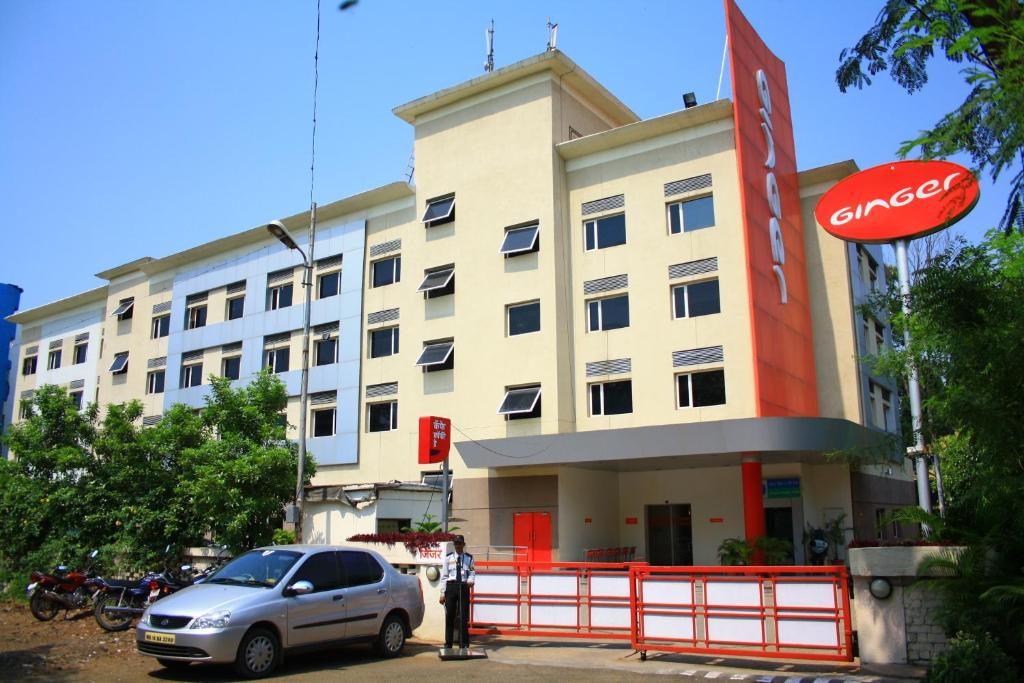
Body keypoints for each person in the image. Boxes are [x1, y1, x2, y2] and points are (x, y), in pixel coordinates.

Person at [439, 535, 475, 650]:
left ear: (463, 545)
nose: (458, 546)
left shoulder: (469, 558)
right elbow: (444, 576)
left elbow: (472, 573)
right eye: (456, 544)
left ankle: (463, 644)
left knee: (463, 616)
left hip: (463, 587)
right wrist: (442, 593)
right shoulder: (448, 558)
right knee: (450, 615)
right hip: (451, 587)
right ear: (454, 545)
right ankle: (448, 643)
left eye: (460, 544)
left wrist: (470, 581)